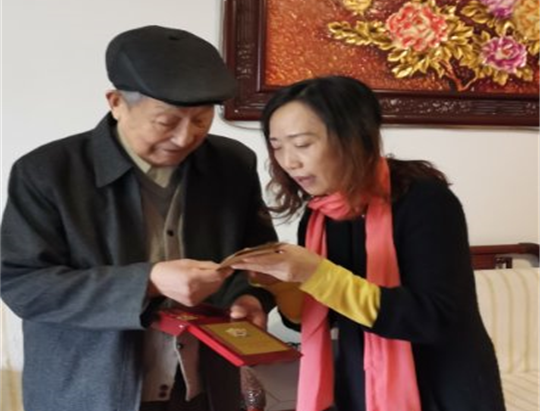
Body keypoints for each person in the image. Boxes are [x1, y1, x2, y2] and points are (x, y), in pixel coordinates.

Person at [0, 25, 277, 411]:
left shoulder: (231, 164)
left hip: (203, 388)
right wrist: (147, 281)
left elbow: (258, 254)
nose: (185, 137)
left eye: (201, 120)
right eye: (166, 122)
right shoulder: (48, 173)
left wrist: (250, 297)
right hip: (91, 392)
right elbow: (23, 285)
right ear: (116, 102)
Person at [230, 76, 507, 411]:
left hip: (445, 385)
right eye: (277, 146)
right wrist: (283, 285)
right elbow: (322, 317)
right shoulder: (320, 216)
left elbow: (432, 318)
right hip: (360, 380)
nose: (289, 161)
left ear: (353, 137)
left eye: (302, 144)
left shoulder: (426, 201)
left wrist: (317, 274)